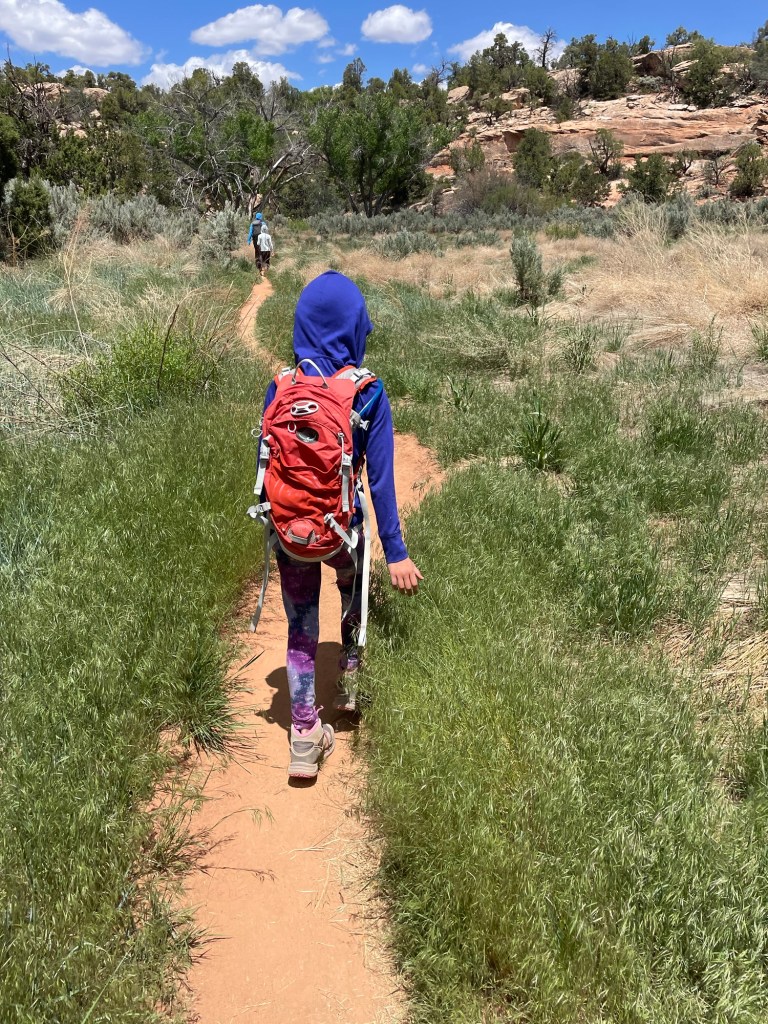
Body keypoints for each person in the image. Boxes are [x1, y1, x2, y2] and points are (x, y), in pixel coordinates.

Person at [259, 271, 423, 778]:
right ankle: (350, 686)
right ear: (355, 326)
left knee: (301, 625)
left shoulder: (281, 386)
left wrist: (280, 523)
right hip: (342, 531)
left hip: (291, 531)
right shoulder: (368, 392)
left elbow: (266, 466)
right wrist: (395, 552)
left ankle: (304, 736)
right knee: (352, 592)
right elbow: (381, 483)